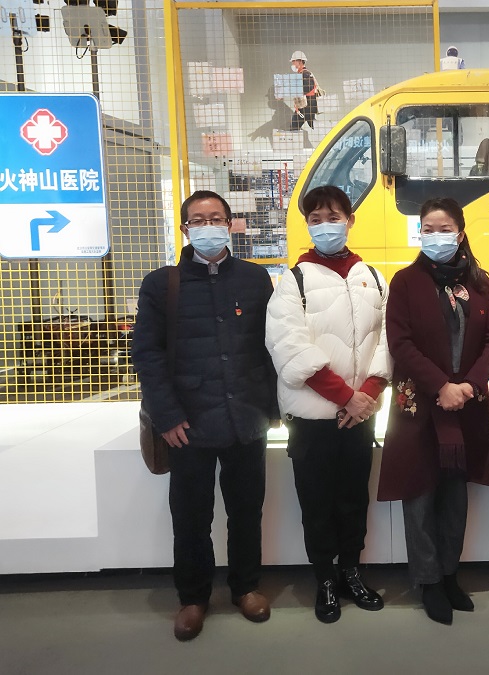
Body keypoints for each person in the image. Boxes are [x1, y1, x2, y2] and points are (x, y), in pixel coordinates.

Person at [132, 190, 279, 641]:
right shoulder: (162, 284)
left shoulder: (255, 279)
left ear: (230, 224)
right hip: (187, 424)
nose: (208, 226)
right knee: (191, 515)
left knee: (246, 509)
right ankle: (193, 597)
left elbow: (270, 347)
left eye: (216, 218)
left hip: (246, 417)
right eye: (198, 220)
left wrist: (272, 408)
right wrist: (167, 415)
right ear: (185, 229)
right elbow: (147, 354)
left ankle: (246, 587)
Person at [265, 185, 391, 624]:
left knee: (354, 501)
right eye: (315, 219)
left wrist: (368, 393)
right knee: (316, 505)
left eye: (333, 217)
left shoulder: (372, 277)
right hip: (314, 418)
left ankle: (351, 572)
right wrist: (346, 396)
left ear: (350, 220)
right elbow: (288, 345)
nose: (325, 226)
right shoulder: (294, 280)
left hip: (359, 417)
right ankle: (325, 579)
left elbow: (388, 339)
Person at [378, 198, 489, 625]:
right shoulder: (406, 282)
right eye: (427, 229)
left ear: (461, 233)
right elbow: (400, 343)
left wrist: (469, 385)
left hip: (465, 406)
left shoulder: (478, 283)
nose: (435, 236)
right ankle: (428, 581)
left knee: (454, 495)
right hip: (420, 407)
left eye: (444, 228)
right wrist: (441, 386)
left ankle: (449, 574)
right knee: (419, 493)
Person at [289, 50, 321, 130]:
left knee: (294, 126)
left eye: (294, 61)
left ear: (299, 61)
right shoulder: (303, 74)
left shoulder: (305, 74)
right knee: (312, 128)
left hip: (306, 107)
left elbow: (309, 88)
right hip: (308, 107)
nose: (292, 63)